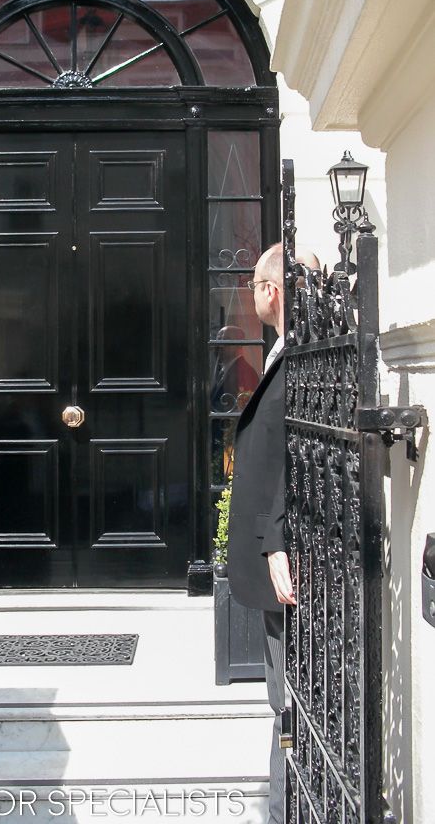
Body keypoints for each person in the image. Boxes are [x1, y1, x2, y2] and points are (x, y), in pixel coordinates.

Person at [227, 242, 320, 824]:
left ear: (272, 290)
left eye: (256, 284)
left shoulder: (306, 356)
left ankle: (289, 808)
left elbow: (299, 459)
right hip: (272, 550)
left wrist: (278, 539)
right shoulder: (288, 352)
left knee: (288, 696)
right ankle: (284, 802)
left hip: (280, 554)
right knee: (280, 694)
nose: (253, 294)